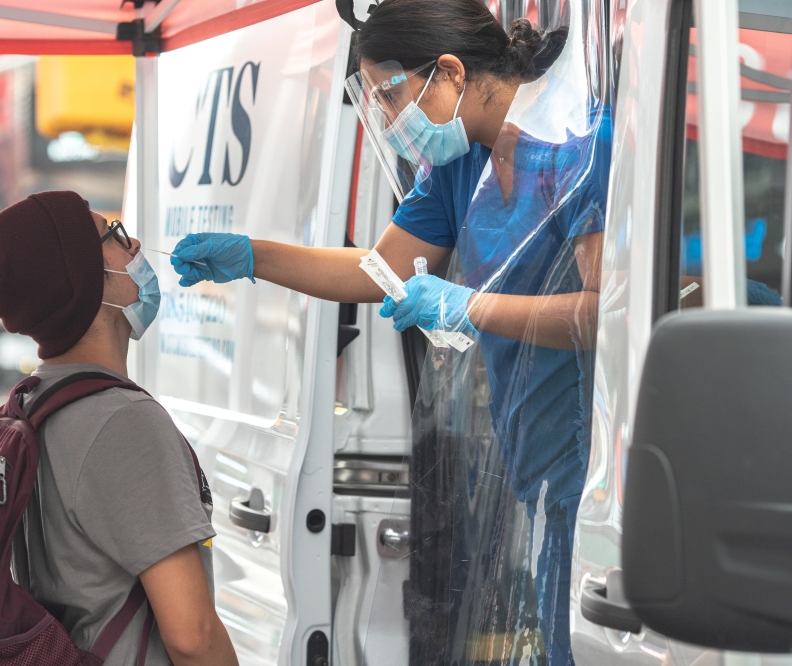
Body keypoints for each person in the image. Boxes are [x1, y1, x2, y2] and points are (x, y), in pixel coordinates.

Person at [170, 1, 606, 663]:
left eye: (391, 96)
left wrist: (469, 307)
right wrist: (255, 255)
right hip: (527, 457)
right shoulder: (464, 164)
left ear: (451, 72)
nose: (387, 118)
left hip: (594, 460)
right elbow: (379, 270)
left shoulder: (580, 146)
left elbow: (605, 312)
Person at [0, 190, 238, 666]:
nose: (134, 248)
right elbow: (193, 636)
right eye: (113, 234)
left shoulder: (31, 406)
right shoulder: (122, 422)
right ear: (86, 279)